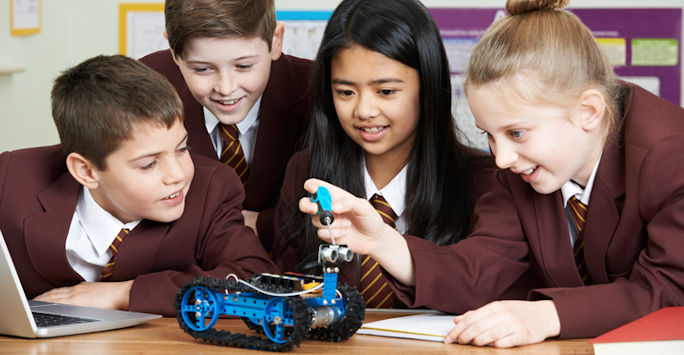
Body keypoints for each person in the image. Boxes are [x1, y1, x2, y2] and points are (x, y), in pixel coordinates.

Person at [298, 0, 684, 347]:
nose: (500, 159)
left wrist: (547, 315)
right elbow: (479, 267)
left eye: (516, 133)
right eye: (489, 135)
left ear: (588, 111)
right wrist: (383, 242)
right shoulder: (521, 167)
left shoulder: (671, 155)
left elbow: (670, 288)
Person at [0, 55, 277, 316]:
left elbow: (257, 278)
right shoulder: (10, 180)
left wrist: (124, 293)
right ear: (85, 171)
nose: (177, 175)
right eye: (148, 164)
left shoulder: (212, 189)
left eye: (182, 149)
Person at [273, 0, 496, 309]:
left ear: (427, 86)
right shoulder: (306, 171)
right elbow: (289, 292)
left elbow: (485, 288)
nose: (364, 110)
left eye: (386, 91)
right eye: (346, 92)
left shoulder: (484, 181)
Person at [140, 0, 312, 249]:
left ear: (275, 40)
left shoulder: (321, 93)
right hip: (179, 266)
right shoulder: (146, 87)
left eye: (244, 66)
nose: (226, 88)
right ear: (174, 50)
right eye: (202, 69)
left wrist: (263, 224)